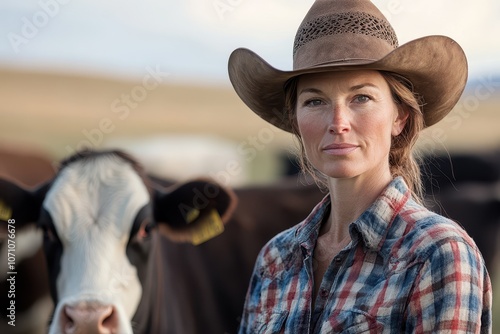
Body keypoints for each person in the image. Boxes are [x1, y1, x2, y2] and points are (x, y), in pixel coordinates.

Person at [228, 0, 492, 333]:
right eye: (315, 101)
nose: (338, 122)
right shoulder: (275, 260)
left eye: (361, 98)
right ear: (295, 120)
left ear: (399, 116)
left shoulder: (438, 253)